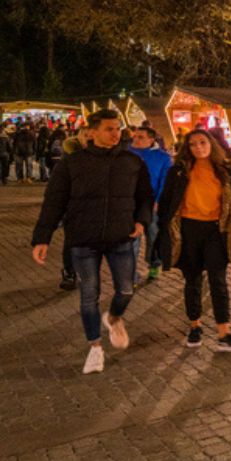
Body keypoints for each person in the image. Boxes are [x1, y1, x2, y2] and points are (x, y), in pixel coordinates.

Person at [31, 109, 153, 374]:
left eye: (118, 128)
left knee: (126, 289)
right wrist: (42, 237)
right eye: (109, 128)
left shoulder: (132, 162)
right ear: (92, 132)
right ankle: (95, 347)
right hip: (83, 239)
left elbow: (145, 196)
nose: (115, 133)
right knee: (89, 295)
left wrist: (141, 221)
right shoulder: (71, 163)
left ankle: (114, 317)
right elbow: (54, 202)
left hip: (121, 236)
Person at [158, 130, 231, 352]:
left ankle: (224, 332)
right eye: (193, 144)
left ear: (212, 144)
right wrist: (164, 232)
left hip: (216, 231)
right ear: (187, 147)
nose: (198, 147)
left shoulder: (225, 171)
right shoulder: (179, 171)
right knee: (193, 279)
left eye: (202, 142)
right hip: (188, 230)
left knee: (218, 280)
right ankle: (195, 325)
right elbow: (167, 203)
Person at [128, 125, 173, 282]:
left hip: (152, 203)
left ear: (151, 139)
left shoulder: (163, 157)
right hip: (130, 203)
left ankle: (154, 263)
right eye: (135, 136)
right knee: (132, 239)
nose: (136, 139)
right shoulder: (125, 153)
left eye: (141, 137)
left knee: (153, 235)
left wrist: (158, 201)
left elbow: (166, 181)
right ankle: (131, 275)